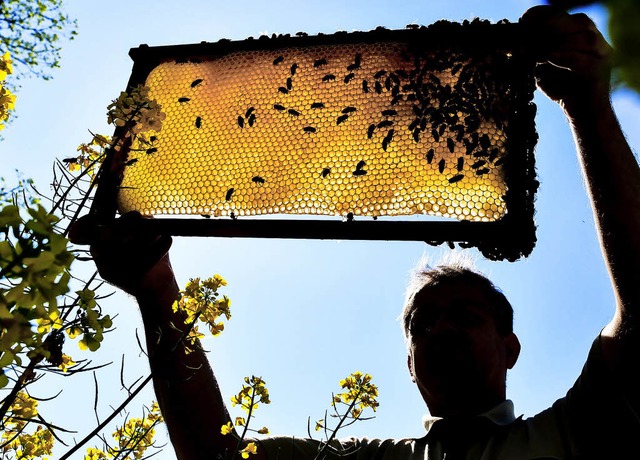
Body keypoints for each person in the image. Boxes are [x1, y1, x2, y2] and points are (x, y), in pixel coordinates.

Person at [87, 5, 640, 459]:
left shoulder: (573, 436)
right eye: (424, 323)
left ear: (511, 347)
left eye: (467, 316)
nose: (442, 331)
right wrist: (157, 292)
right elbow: (216, 457)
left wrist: (588, 107)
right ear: (408, 359)